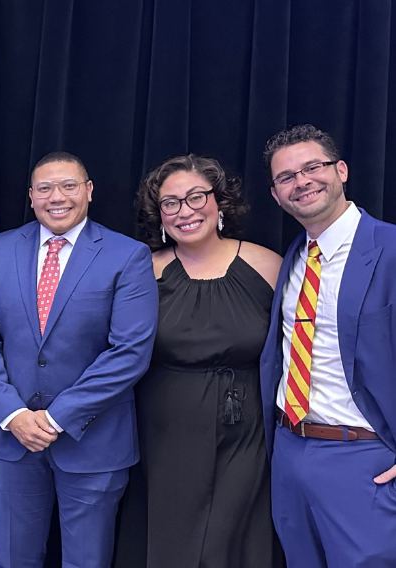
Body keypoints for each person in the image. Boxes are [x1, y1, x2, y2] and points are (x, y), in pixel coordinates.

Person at [0, 151, 158, 568]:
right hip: (12, 440)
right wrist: (14, 413)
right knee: (14, 560)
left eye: (69, 185)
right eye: (45, 188)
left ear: (88, 192)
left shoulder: (128, 256)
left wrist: (55, 418)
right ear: (31, 197)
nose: (58, 197)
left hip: (94, 443)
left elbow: (129, 352)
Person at [115, 154, 283, 567]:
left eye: (195, 197)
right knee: (175, 539)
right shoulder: (143, 271)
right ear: (159, 215)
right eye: (170, 203)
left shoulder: (268, 265)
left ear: (220, 202)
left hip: (247, 430)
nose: (184, 211)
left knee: (233, 539)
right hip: (165, 428)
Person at [259, 124, 396, 567]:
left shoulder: (391, 249)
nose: (302, 182)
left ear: (341, 170)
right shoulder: (294, 259)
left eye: (312, 167)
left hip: (365, 458)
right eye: (286, 177)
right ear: (276, 196)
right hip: (289, 451)